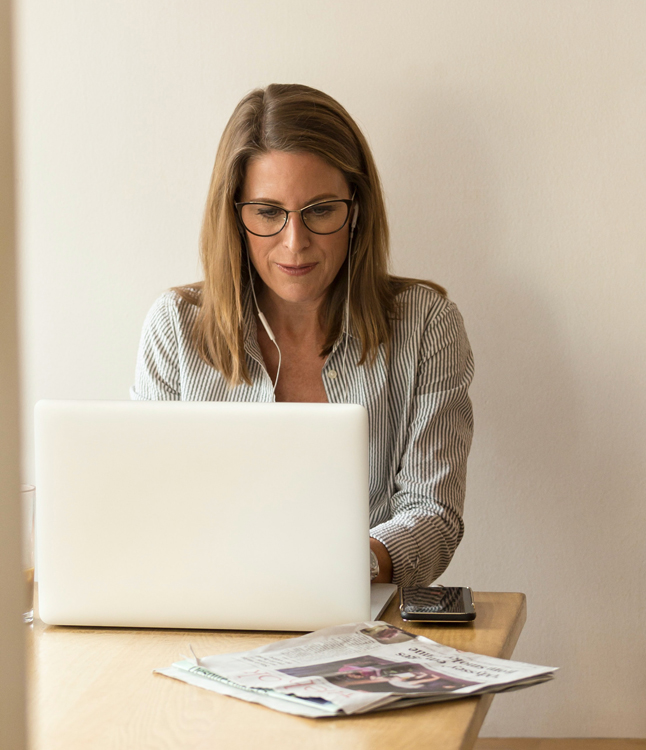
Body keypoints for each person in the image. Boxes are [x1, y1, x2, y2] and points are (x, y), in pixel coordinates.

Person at [132, 83, 474, 586]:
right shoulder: (174, 328)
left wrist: (342, 569)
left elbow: (433, 514)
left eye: (320, 210)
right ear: (235, 216)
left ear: (355, 209)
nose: (295, 244)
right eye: (268, 212)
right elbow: (149, 513)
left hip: (365, 626)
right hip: (208, 616)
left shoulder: (425, 325)